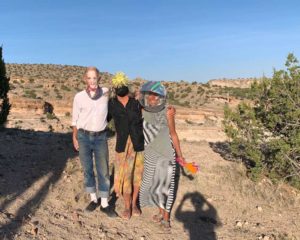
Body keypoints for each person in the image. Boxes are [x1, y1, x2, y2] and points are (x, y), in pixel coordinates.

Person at [139, 81, 185, 229]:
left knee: (166, 187)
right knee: (155, 185)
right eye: (150, 95)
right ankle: (160, 213)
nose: (152, 98)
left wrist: (180, 155)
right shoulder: (143, 110)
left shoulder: (167, 111)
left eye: (155, 95)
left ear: (160, 97)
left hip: (165, 153)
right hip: (150, 152)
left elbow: (173, 133)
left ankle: (166, 218)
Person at [72, 66, 117, 217]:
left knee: (103, 170)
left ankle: (104, 203)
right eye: (89, 78)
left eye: (95, 78)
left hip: (100, 137)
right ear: (85, 79)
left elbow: (120, 91)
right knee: (87, 169)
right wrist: (74, 137)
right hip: (83, 136)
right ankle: (93, 199)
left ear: (99, 78)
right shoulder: (79, 97)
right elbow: (75, 119)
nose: (92, 81)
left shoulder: (105, 92)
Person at [107, 72, 144, 220]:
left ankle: (134, 204)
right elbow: (103, 120)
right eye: (118, 86)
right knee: (125, 177)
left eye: (123, 85)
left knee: (137, 176)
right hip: (122, 145)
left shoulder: (136, 102)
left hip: (138, 144)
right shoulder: (111, 104)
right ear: (114, 88)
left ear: (126, 86)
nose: (121, 88)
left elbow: (151, 113)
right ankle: (127, 206)